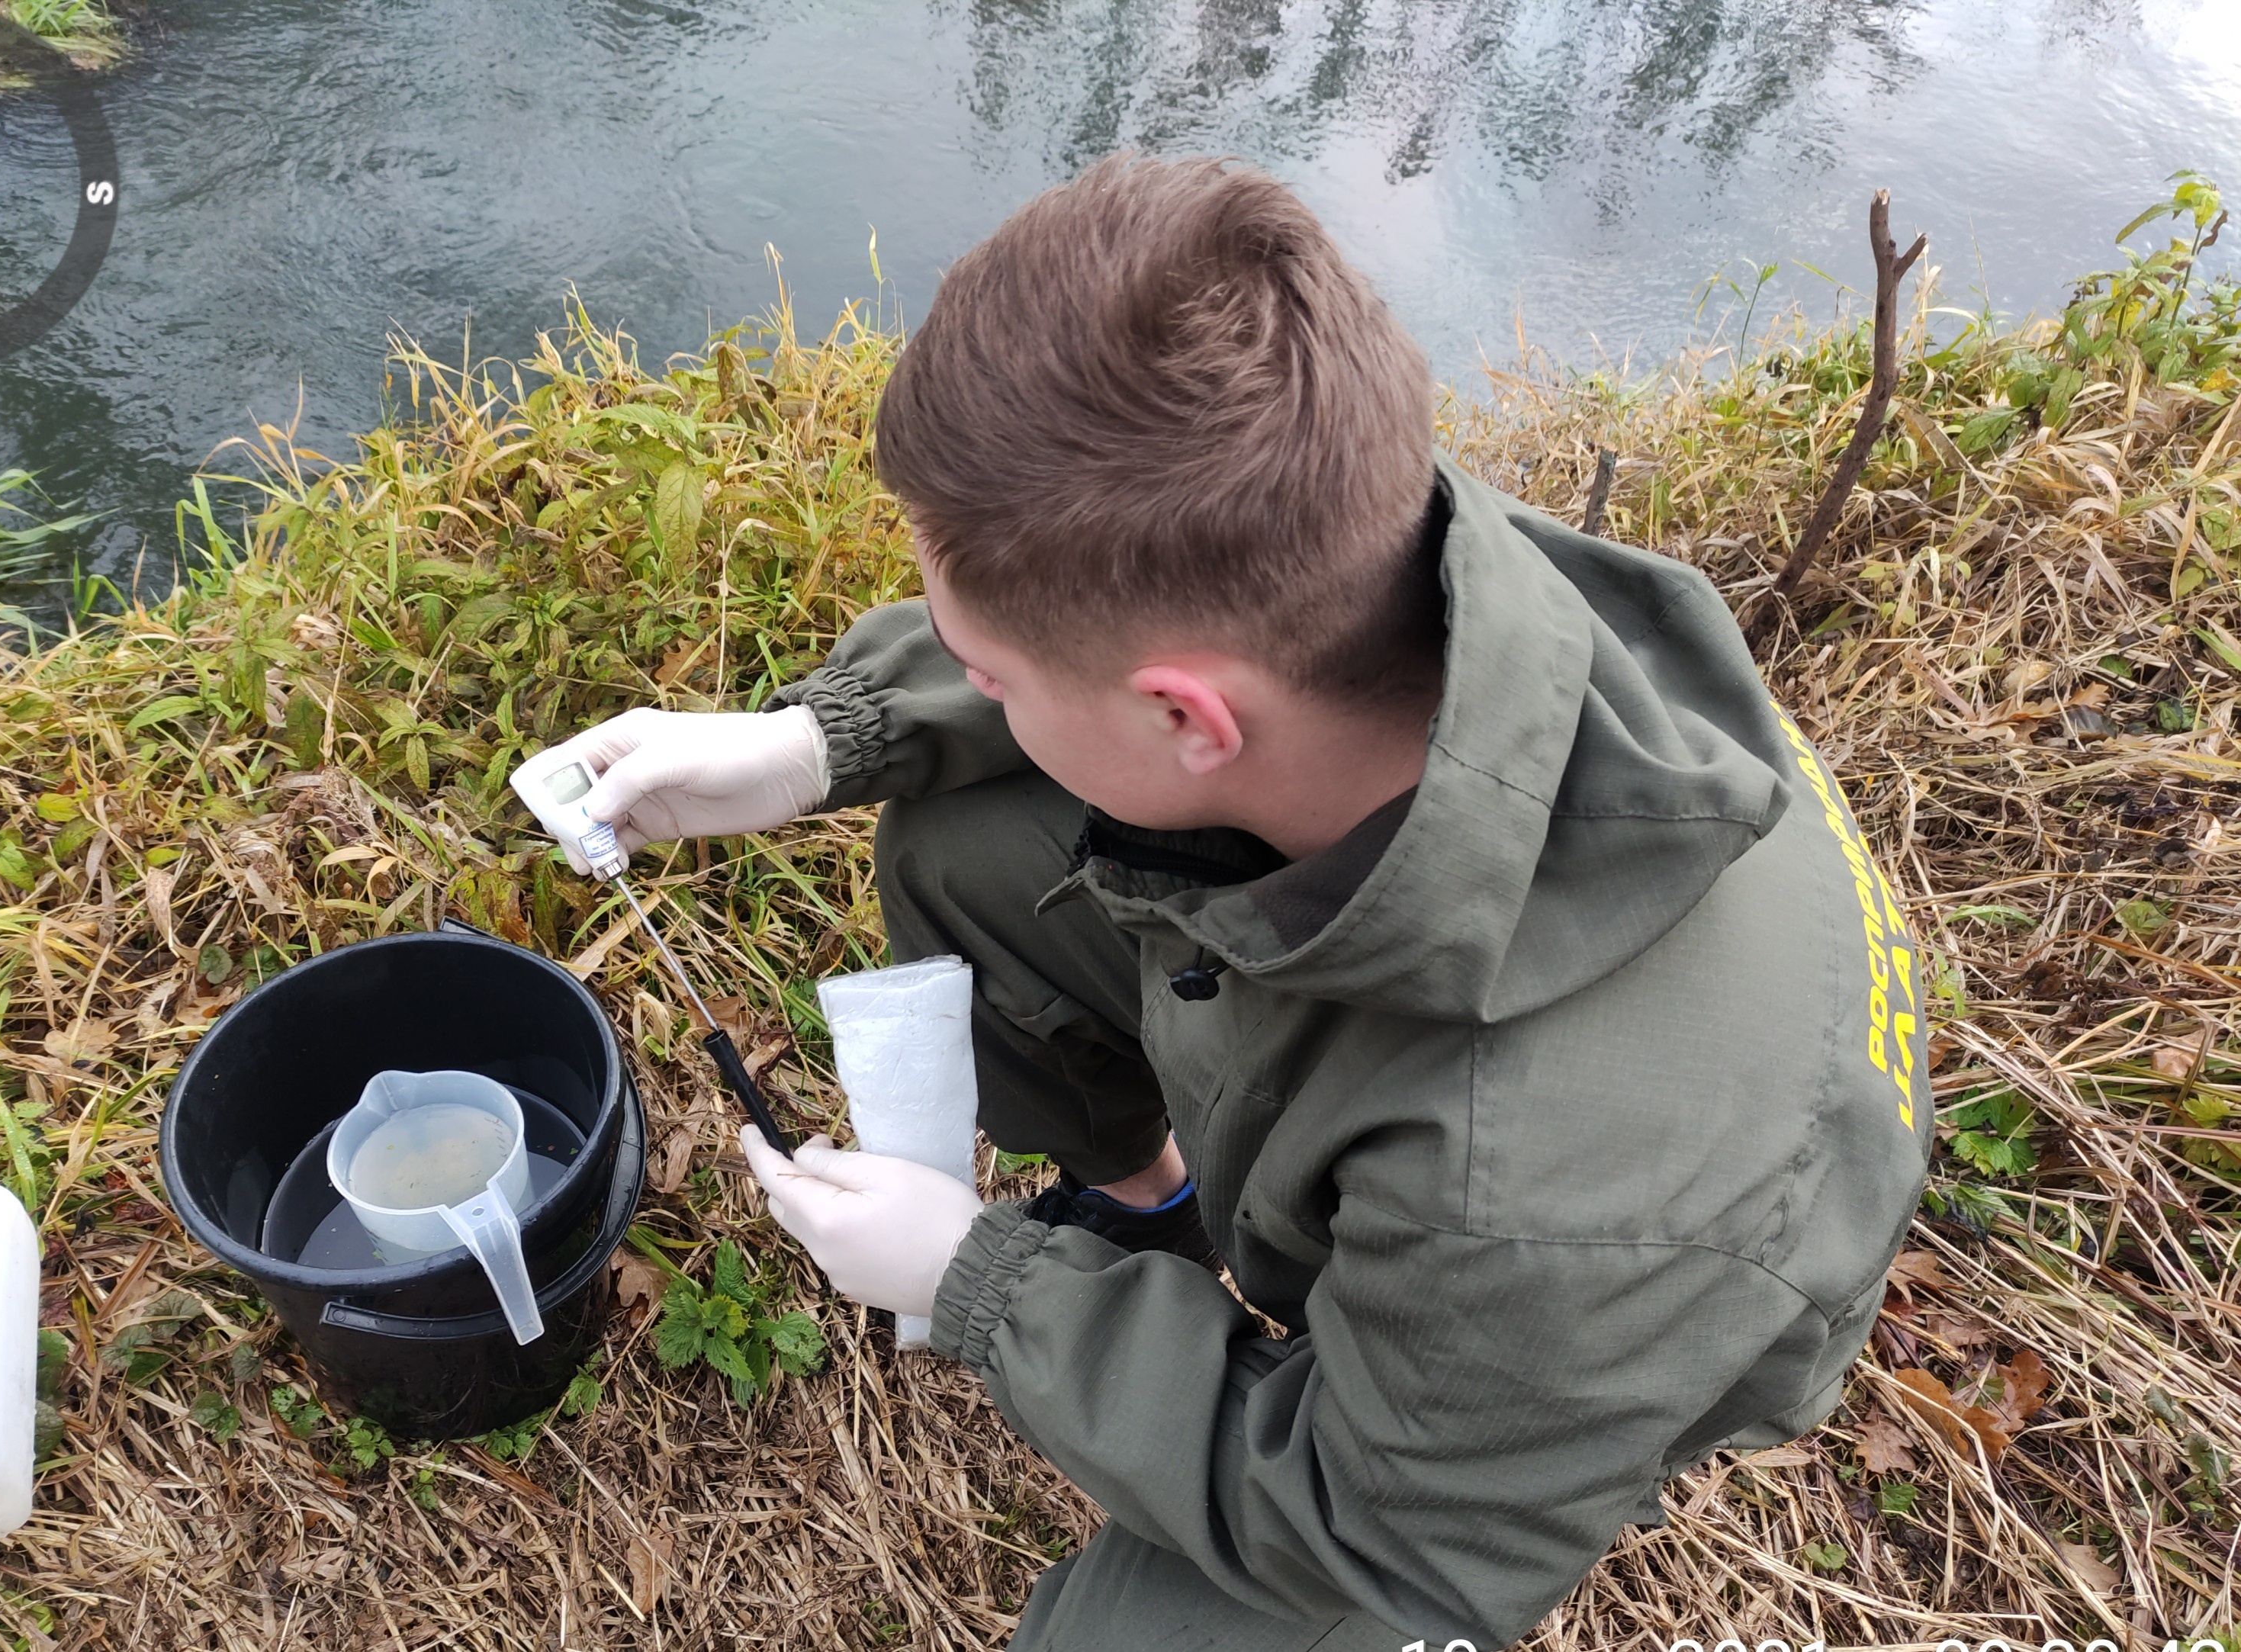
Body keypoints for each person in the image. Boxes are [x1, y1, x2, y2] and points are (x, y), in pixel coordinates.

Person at [562, 154, 1931, 1652]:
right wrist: (817, 741)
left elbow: (1377, 1539)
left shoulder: (1540, 1210)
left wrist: (980, 1286)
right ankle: (1166, 1208)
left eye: (993, 677)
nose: (984, 689)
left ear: (1191, 724)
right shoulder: (1378, 526)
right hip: (1495, 1054)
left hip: (1553, 1356)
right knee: (964, 837)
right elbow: (1123, 616)